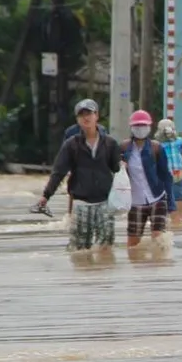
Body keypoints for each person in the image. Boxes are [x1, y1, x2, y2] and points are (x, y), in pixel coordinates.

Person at [38, 99, 121, 252]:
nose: (85, 118)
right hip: (81, 202)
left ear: (96, 115)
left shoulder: (110, 144)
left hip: (105, 202)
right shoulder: (71, 145)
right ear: (77, 120)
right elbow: (59, 172)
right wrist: (46, 195)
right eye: (81, 115)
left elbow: (118, 170)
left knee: (106, 248)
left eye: (89, 113)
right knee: (79, 250)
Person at [121, 110, 176, 252]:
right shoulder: (124, 148)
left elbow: (166, 176)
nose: (140, 129)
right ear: (131, 127)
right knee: (133, 246)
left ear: (149, 127)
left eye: (143, 125)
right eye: (137, 125)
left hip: (157, 198)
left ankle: (158, 265)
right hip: (134, 202)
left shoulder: (156, 148)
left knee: (159, 241)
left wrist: (171, 202)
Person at [63, 120, 108, 216]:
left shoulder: (102, 130)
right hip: (77, 164)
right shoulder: (70, 131)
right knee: (73, 188)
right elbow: (65, 151)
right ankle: (71, 214)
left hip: (96, 163)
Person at [155, 118, 182, 227]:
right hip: (179, 174)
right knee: (179, 201)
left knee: (169, 203)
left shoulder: (157, 144)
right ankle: (177, 225)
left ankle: (173, 225)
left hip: (167, 175)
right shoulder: (178, 141)